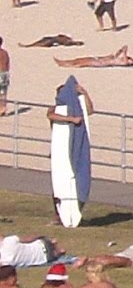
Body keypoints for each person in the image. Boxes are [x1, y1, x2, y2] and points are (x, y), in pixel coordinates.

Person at [47, 75, 90, 230]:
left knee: (80, 179)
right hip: (60, 151)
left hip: (75, 148)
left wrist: (84, 94)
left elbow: (90, 111)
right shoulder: (55, 109)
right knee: (59, 183)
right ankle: (58, 214)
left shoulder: (77, 107)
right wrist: (71, 119)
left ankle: (76, 210)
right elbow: (51, 115)